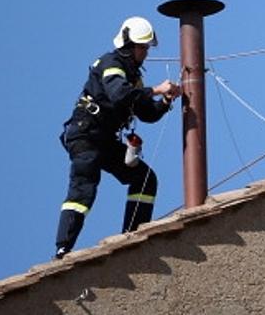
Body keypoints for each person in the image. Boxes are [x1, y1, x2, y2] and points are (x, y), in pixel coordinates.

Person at [54, 16, 182, 259]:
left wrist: (166, 101)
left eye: (146, 47)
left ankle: (131, 238)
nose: (145, 52)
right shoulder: (110, 63)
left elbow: (146, 113)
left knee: (145, 179)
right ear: (128, 45)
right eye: (142, 47)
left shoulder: (133, 76)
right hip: (86, 134)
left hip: (104, 140)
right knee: (84, 188)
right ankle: (62, 249)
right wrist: (156, 89)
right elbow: (120, 95)